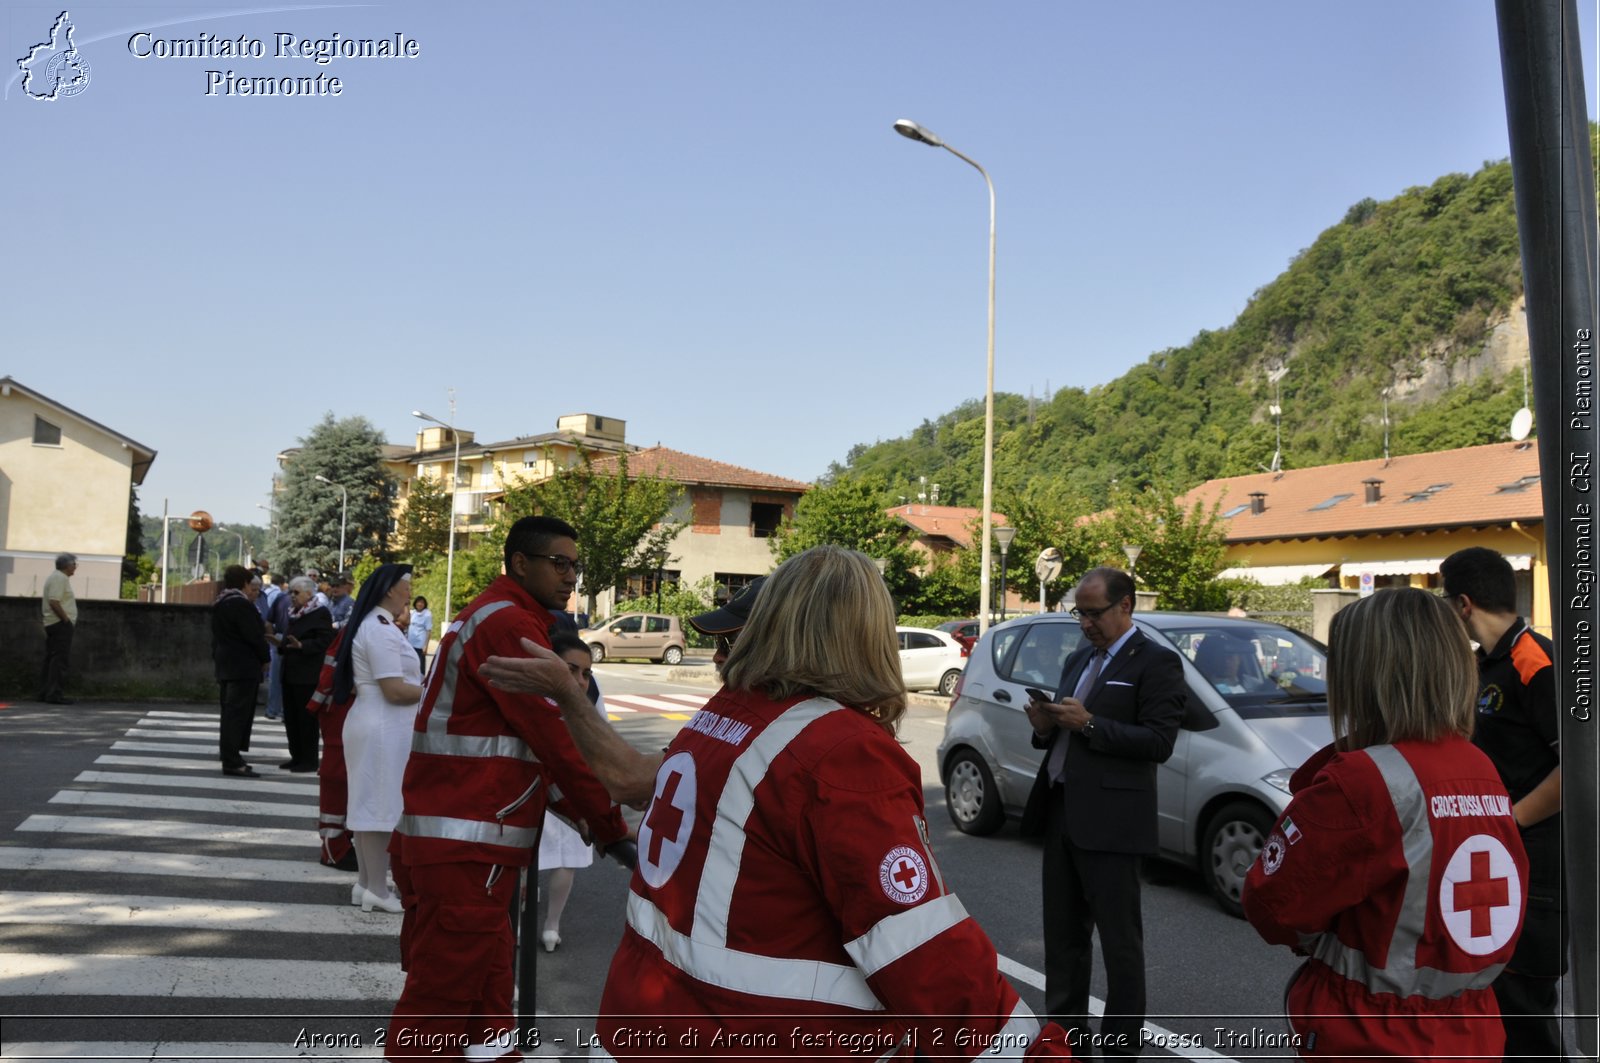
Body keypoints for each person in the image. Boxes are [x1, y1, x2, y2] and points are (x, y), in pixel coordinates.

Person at [502, 546, 1072, 1060]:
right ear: (865, 634)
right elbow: (920, 949)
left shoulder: (721, 717)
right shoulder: (841, 751)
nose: (725, 649)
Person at [1243, 587, 1530, 1057]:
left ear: (1361, 675)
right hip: (1472, 1030)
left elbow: (1272, 905)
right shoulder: (1479, 765)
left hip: (1372, 1034)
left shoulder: (1363, 778)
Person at [385, 516, 630, 1062]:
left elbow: (526, 750)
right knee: (440, 1004)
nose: (571, 576)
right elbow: (553, 740)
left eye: (575, 565)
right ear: (521, 563)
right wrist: (610, 825)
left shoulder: (504, 618)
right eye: (558, 563)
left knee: (490, 999)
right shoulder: (507, 626)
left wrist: (588, 817)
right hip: (468, 847)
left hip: (468, 842)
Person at [1020, 566, 1185, 1056]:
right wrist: (1045, 727)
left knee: (1120, 950)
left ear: (1125, 606)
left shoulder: (1156, 663)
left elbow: (1159, 742)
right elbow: (1062, 732)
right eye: (1080, 613)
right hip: (1063, 813)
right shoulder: (1078, 660)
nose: (1085, 624)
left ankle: (1119, 1051)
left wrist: (1090, 725)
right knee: (1063, 944)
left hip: (1114, 826)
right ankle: (1067, 1046)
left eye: (1094, 613)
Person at [1441, 547, 1565, 1062]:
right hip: (1496, 861)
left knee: (1525, 1016)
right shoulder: (1483, 664)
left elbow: (1582, 769)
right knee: (1493, 1008)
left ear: (1463, 604)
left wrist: (1508, 821)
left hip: (1536, 866)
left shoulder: (1534, 660)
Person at [334, 564, 423, 913]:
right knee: (380, 807)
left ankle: (366, 884)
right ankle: (375, 887)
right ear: (389, 590)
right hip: (383, 726)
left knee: (368, 804)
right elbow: (395, 690)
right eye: (406, 587)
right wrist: (432, 690)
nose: (408, 593)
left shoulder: (377, 625)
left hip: (376, 724)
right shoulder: (380, 629)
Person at [535, 633, 609, 954]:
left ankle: (549, 925)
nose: (581, 681)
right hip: (553, 788)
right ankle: (549, 926)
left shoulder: (536, 695)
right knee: (554, 855)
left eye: (587, 673)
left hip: (560, 789)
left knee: (543, 855)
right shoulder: (539, 697)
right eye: (572, 670)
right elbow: (603, 738)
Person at [212, 564, 270, 778]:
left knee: (230, 713)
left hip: (227, 664)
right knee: (237, 714)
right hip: (242, 666)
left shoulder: (221, 602)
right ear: (245, 583)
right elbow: (254, 635)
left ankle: (230, 754)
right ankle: (232, 760)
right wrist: (265, 657)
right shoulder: (240, 605)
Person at [276, 575, 334, 773]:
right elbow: (290, 639)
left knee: (305, 719)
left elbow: (326, 640)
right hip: (290, 672)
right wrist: (281, 645)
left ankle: (308, 759)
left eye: (296, 592)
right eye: (290, 592)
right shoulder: (294, 613)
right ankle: (296, 756)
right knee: (291, 718)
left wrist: (303, 646)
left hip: (307, 674)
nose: (292, 596)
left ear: (309, 594)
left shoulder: (320, 613)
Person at [39, 552, 78, 704]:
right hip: (59, 624)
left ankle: (45, 692)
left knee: (51, 659)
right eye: (74, 564)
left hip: (54, 623)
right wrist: (66, 619)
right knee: (59, 660)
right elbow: (54, 601)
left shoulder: (57, 577)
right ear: (67, 565)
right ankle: (54, 694)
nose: (75, 567)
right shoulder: (59, 578)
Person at [406, 594, 433, 674]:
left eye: (422, 603)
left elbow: (428, 631)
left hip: (420, 645)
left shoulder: (427, 614)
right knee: (410, 663)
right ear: (415, 603)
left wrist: (425, 646)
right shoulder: (412, 613)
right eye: (418, 602)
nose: (420, 604)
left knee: (420, 665)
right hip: (410, 643)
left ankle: (421, 683)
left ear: (424, 604)